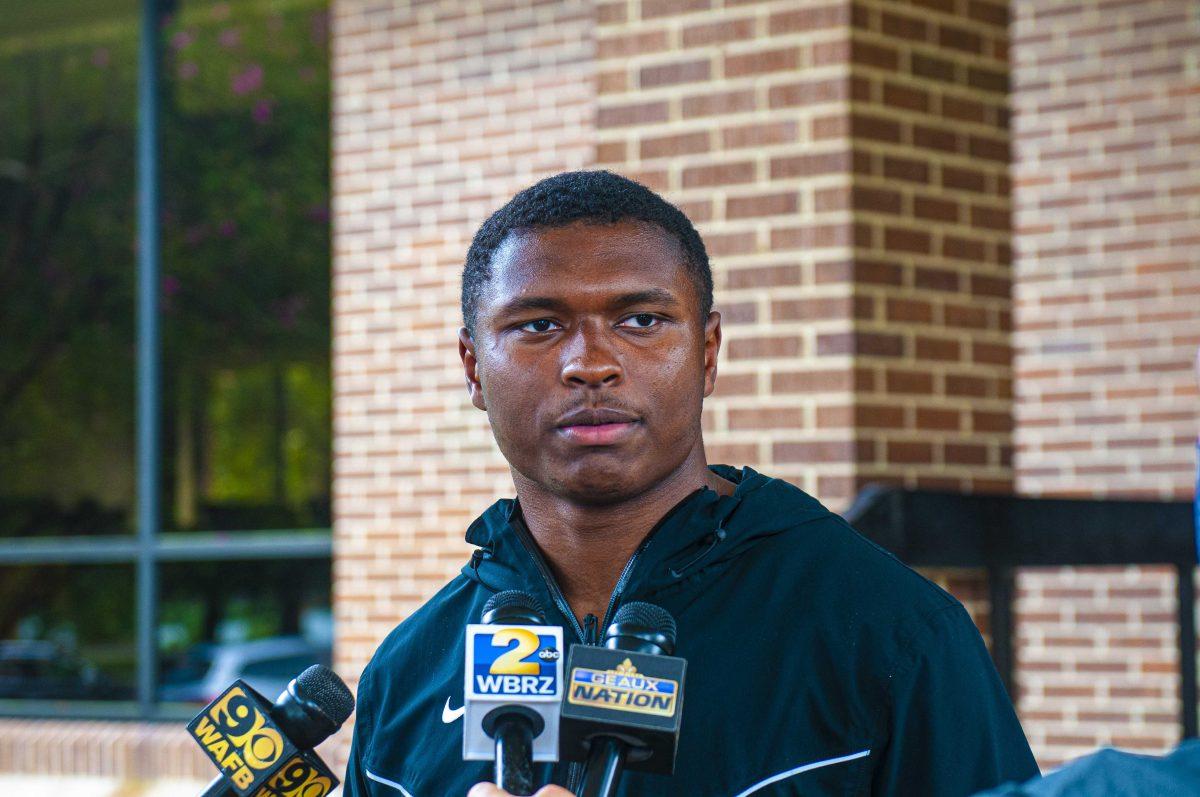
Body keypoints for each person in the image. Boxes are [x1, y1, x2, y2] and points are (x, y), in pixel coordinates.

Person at [342, 170, 1039, 797]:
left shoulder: (891, 636)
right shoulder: (405, 680)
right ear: (472, 366)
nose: (591, 364)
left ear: (707, 353)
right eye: (540, 324)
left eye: (640, 320)